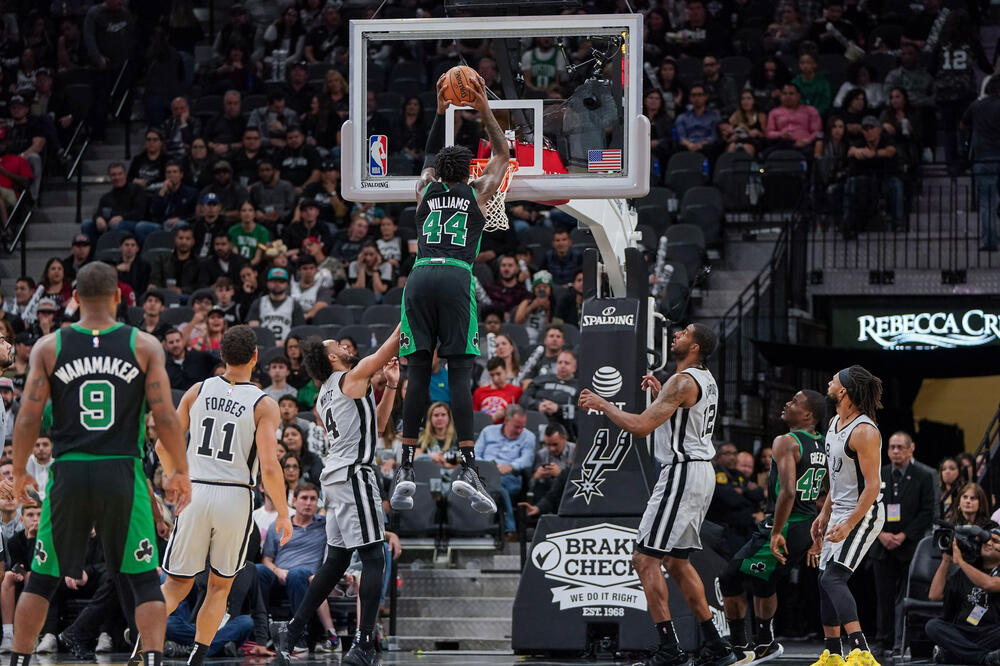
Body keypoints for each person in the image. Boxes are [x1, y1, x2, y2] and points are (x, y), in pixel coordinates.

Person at [8, 262, 191, 666]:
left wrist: (20, 470)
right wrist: (179, 468)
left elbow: (27, 415)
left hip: (70, 470)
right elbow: (164, 414)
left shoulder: (49, 346)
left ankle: (19, 661)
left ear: (73, 297)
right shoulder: (143, 345)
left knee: (41, 580)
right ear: (118, 298)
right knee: (144, 580)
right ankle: (155, 660)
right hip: (122, 470)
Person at [578, 323, 734, 666]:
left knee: (644, 559)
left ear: (696, 347)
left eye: (686, 332)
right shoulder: (700, 379)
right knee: (677, 562)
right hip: (698, 472)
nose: (678, 333)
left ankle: (669, 650)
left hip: (681, 473)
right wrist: (661, 394)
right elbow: (681, 415)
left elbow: (641, 426)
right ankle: (717, 646)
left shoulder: (681, 382)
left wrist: (603, 404)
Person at [390, 72, 508, 515]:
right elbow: (502, 153)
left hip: (419, 277)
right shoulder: (479, 192)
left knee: (417, 371)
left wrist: (442, 114)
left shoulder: (424, 191)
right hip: (457, 277)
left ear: (437, 172)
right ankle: (469, 467)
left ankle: (403, 468)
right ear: (468, 172)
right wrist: (483, 108)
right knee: (459, 372)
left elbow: (426, 155)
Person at [157, 325, 291, 666]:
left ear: (221, 356)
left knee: (175, 585)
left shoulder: (197, 391)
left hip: (196, 489)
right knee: (220, 586)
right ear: (256, 357)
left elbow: (162, 444)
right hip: (235, 497)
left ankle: (143, 651)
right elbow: (271, 467)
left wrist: (176, 478)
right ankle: (197, 660)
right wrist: (285, 513)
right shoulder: (264, 403)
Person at [271, 329, 400, 666]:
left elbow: (379, 425)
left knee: (337, 561)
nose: (345, 346)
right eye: (337, 346)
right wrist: (408, 313)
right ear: (332, 358)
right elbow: (387, 349)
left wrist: (391, 387)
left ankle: (292, 629)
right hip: (354, 475)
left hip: (335, 479)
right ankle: (363, 644)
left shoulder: (325, 395)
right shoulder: (350, 377)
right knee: (375, 558)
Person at [720, 389, 827, 663]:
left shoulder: (786, 441)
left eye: (794, 402)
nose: (786, 403)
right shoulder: (821, 443)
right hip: (805, 525)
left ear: (807, 414)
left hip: (788, 524)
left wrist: (776, 531)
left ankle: (740, 646)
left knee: (730, 576)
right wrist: (817, 534)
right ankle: (765, 643)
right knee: (764, 580)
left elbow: (788, 491)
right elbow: (828, 493)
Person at [809, 366, 885, 666]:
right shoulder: (834, 422)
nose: (829, 381)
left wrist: (849, 523)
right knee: (823, 581)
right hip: (839, 509)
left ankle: (862, 652)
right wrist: (825, 514)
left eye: (834, 380)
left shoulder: (864, 431)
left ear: (844, 391)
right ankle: (832, 656)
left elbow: (873, 485)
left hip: (864, 511)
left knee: (834, 577)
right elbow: (837, 478)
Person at [870, 432, 936, 656]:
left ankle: (906, 641)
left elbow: (928, 511)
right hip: (882, 545)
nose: (895, 451)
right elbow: (868, 507)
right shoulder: (880, 473)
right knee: (883, 597)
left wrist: (904, 535)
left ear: (911, 449)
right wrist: (881, 534)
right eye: (892, 447)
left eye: (900, 447)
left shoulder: (925, 475)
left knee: (909, 596)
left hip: (909, 547)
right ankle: (883, 640)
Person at [926, 532, 1000, 664]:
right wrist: (946, 560)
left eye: (995, 541)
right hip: (963, 631)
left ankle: (952, 655)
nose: (989, 543)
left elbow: (989, 584)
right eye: (987, 540)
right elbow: (934, 595)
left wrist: (960, 561)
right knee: (933, 626)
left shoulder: (967, 568)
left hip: (991, 632)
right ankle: (983, 659)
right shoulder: (966, 571)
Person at [473, 405, 536, 537]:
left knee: (498, 486)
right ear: (506, 421)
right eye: (516, 426)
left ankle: (508, 527)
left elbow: (527, 459)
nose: (520, 430)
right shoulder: (488, 431)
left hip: (510, 476)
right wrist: (488, 467)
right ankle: (503, 529)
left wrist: (511, 466)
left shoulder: (528, 436)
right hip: (486, 474)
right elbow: (476, 454)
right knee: (491, 485)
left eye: (522, 426)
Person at [247, 267, 305, 345]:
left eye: (281, 281)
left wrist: (283, 344)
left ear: (287, 284)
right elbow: (253, 329)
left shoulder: (294, 304)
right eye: (274, 281)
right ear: (267, 283)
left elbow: (298, 332)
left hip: (286, 348)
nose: (277, 284)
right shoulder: (258, 303)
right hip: (263, 347)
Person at [473, 357, 522, 424]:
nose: (495, 379)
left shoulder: (516, 391)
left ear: (505, 371)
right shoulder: (479, 392)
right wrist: (492, 418)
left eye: (498, 374)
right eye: (492, 375)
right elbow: (475, 417)